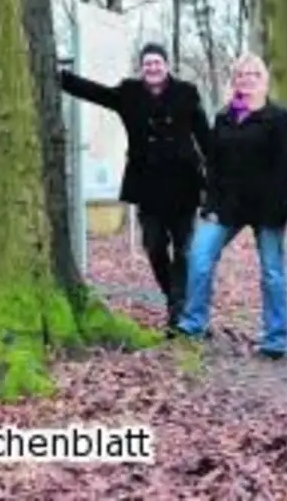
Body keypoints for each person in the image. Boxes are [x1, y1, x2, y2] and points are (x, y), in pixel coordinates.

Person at [59, 43, 213, 329]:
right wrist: (62, 79)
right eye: (147, 64)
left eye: (157, 62)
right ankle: (173, 297)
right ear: (141, 68)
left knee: (183, 249)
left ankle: (178, 309)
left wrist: (215, 176)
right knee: (154, 246)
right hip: (147, 185)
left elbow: (204, 136)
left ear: (167, 65)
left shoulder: (187, 93)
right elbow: (97, 94)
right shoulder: (129, 93)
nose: (152, 68)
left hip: (184, 183)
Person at [174, 53, 287, 360]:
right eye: (241, 74)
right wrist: (211, 204)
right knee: (200, 256)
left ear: (264, 79)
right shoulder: (224, 117)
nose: (246, 78)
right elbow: (214, 164)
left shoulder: (280, 118)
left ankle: (276, 338)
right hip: (227, 206)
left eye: (253, 73)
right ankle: (193, 325)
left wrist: (276, 208)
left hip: (267, 207)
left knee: (272, 271)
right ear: (235, 80)